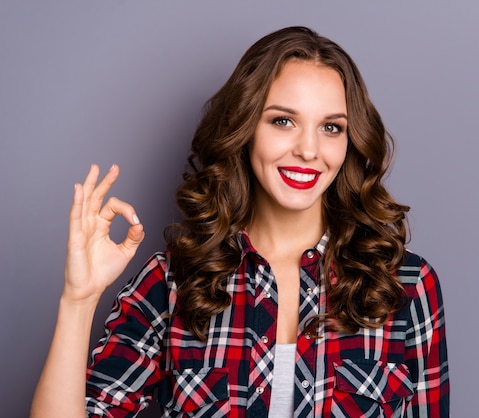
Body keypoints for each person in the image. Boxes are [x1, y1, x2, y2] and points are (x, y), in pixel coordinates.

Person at [31, 26, 449, 417]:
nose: (308, 149)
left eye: (331, 127)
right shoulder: (173, 282)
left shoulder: (406, 285)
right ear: (245, 128)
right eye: (283, 121)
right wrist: (79, 301)